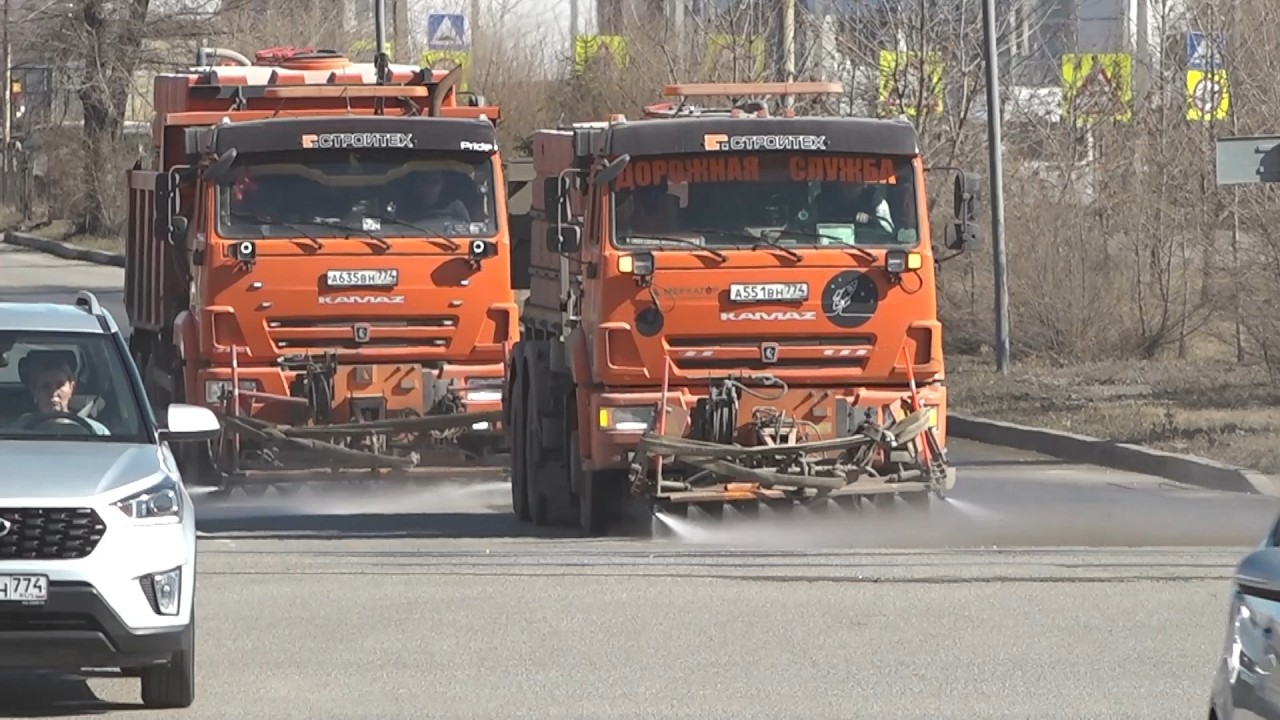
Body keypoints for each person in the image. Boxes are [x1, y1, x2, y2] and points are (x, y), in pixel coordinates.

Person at [11, 351, 109, 436]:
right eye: (45, 386)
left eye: (60, 385)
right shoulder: (18, 429)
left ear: (71, 387)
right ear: (34, 390)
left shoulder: (97, 431)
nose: (53, 392)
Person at [401, 170, 471, 223]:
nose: (430, 187)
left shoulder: (455, 208)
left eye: (435, 182)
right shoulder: (402, 208)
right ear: (415, 183)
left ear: (442, 185)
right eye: (424, 181)